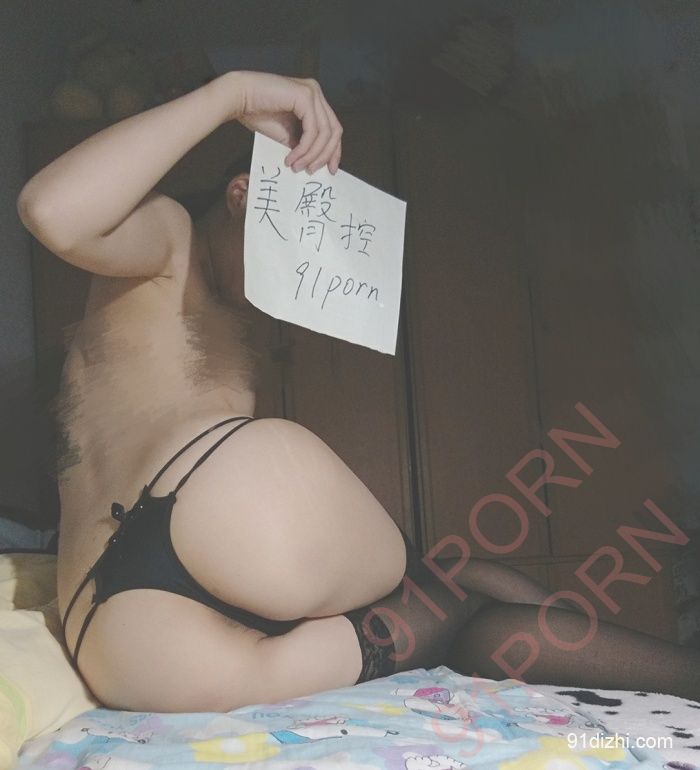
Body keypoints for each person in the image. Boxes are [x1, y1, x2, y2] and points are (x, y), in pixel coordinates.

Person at [17, 71, 700, 713]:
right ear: (242, 195)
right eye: (301, 236)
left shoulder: (214, 316)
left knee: (469, 588)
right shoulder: (170, 237)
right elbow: (51, 211)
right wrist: (232, 93)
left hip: (126, 643)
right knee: (458, 594)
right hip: (180, 549)